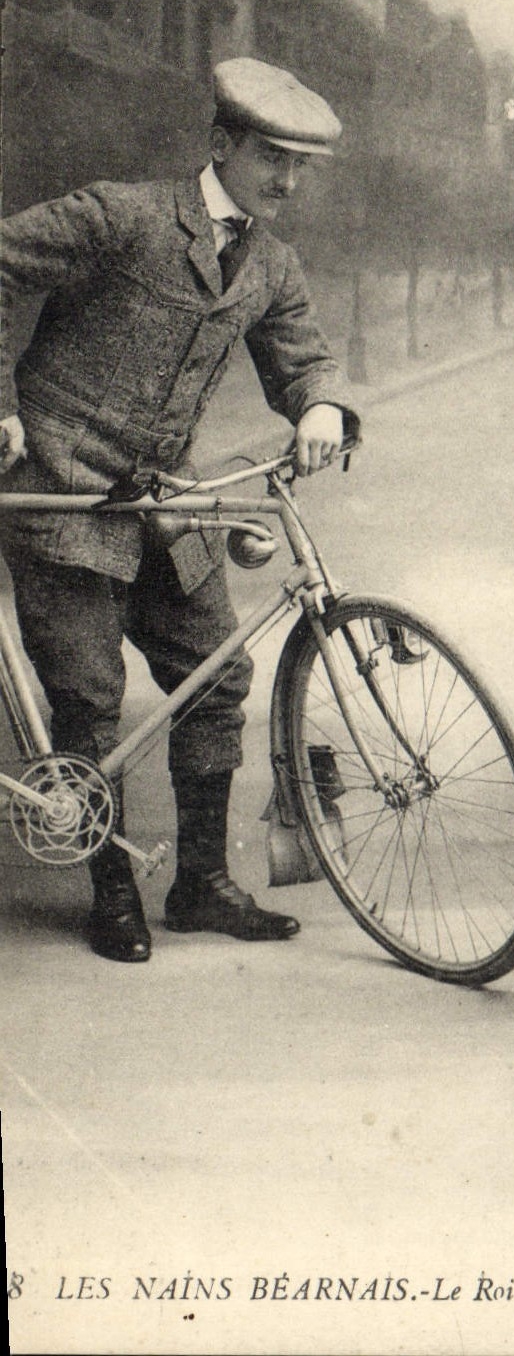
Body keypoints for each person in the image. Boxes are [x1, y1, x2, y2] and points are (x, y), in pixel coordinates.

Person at [0, 58, 360, 965]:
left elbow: (302, 359)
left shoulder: (272, 263)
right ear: (219, 145)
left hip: (166, 497)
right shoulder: (123, 215)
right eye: (269, 157)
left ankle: (201, 883)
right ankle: (110, 888)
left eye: (300, 165)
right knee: (87, 699)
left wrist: (319, 404)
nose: (286, 179)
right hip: (63, 487)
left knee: (217, 678)